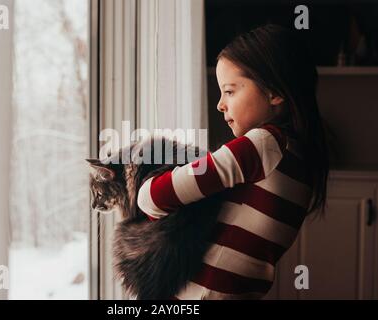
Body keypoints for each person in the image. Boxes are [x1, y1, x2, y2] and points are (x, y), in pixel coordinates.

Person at [136, 24, 329, 300]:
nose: (220, 105)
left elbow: (152, 198)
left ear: (274, 92)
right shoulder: (299, 154)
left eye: (229, 91)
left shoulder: (264, 144)